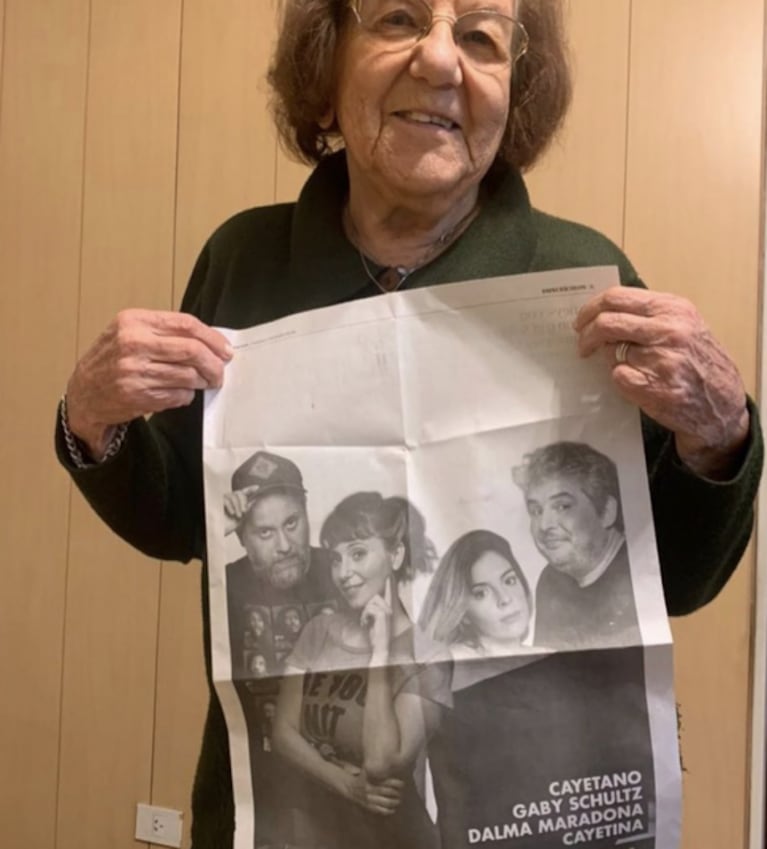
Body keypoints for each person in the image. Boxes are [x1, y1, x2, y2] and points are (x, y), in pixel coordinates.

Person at [54, 1, 762, 846]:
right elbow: (181, 520)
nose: (439, 61)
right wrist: (92, 423)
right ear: (327, 69)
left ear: (513, 92)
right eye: (396, 18)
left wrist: (718, 435)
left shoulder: (579, 278)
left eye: (479, 36)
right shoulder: (244, 259)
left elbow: (672, 579)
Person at [272, 492, 450, 849]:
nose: (343, 573)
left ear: (395, 555)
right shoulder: (317, 631)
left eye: (357, 553)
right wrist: (347, 785)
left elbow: (382, 763)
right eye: (336, 559)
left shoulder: (431, 655)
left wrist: (381, 654)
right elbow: (282, 733)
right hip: (317, 829)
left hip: (392, 838)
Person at [513, 441, 639, 649]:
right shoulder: (551, 581)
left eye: (562, 506)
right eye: (536, 511)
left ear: (607, 511)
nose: (544, 525)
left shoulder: (640, 570)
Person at [224, 450, 338, 678]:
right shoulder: (224, 584)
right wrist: (214, 528)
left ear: (307, 515)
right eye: (265, 532)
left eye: (291, 523)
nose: (284, 545)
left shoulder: (345, 569)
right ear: (241, 538)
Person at [419, 529, 534, 661]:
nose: (505, 599)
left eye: (509, 581)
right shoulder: (453, 661)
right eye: (481, 593)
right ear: (463, 614)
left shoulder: (547, 656)